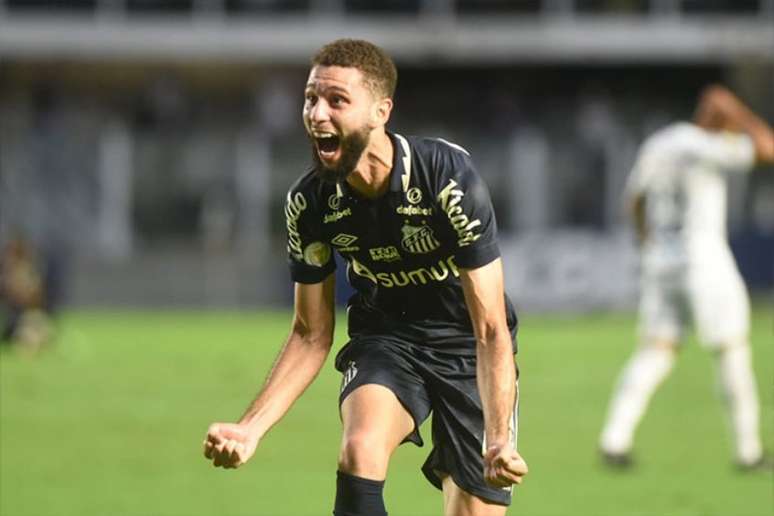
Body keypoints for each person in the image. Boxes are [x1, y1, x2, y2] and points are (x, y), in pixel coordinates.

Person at [203, 39, 528, 515]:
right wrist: (250, 429)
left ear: (380, 111)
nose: (317, 113)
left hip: (464, 344)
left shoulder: (446, 178)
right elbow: (311, 333)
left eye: (337, 101)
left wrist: (497, 440)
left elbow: (491, 327)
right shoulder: (309, 203)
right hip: (387, 336)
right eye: (311, 98)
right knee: (360, 450)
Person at [599, 85, 774, 470]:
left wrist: (648, 245)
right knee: (732, 350)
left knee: (655, 351)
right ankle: (748, 452)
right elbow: (767, 148)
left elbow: (634, 201)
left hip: (663, 260)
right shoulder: (708, 146)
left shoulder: (660, 143)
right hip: (705, 261)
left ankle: (614, 439)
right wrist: (741, 112)